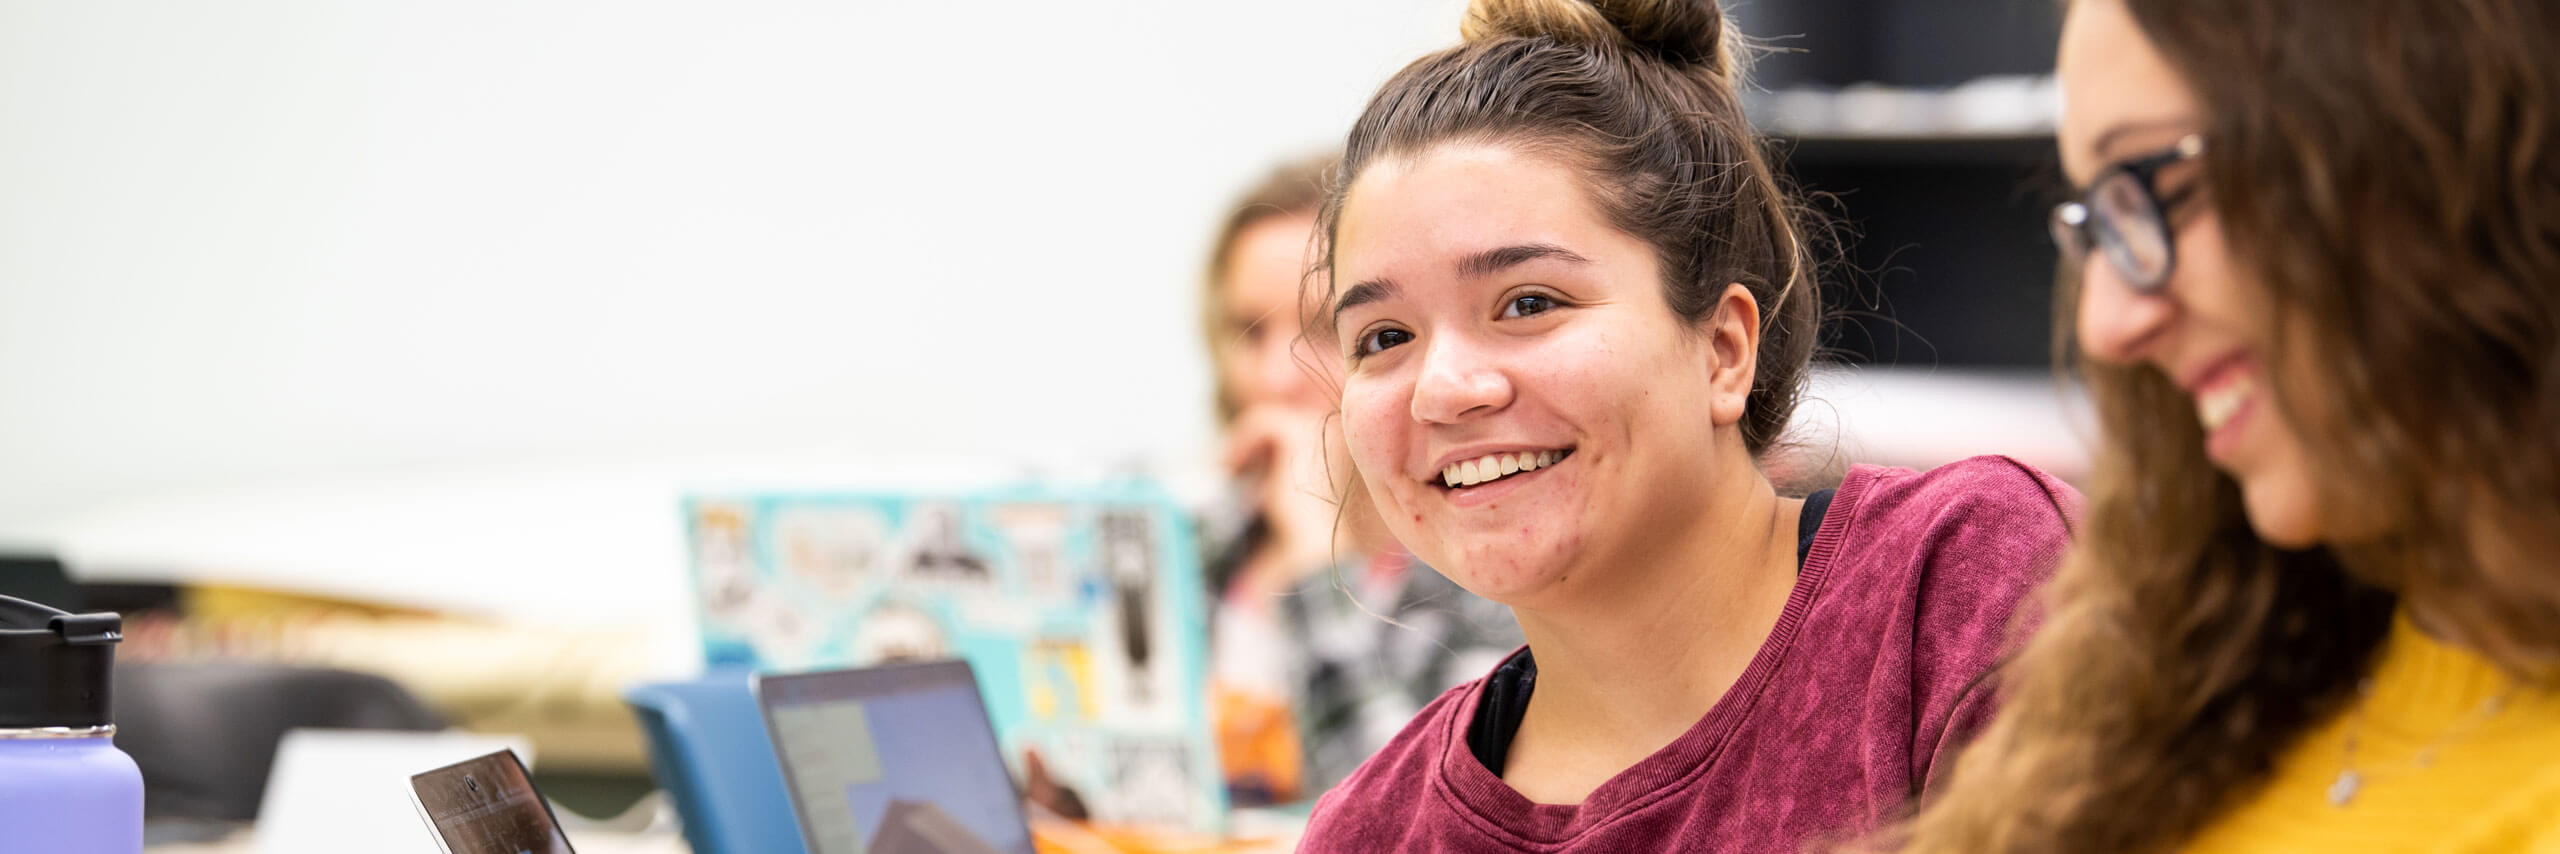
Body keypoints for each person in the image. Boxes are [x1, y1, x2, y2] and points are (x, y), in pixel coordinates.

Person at [1294, 0, 2080, 849]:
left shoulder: (1961, 583)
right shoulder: (1372, 829)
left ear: (1723, 348)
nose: (1443, 390)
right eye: (1385, 338)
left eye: (1528, 302)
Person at [1895, 1, 2560, 851]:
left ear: (2418, 134)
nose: (2106, 324)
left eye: (2156, 191)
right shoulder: (2221, 676)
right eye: (2099, 222)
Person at [1196, 158, 1522, 805]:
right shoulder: (1200, 545)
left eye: (1320, 330)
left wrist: (1319, 564)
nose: (1272, 378)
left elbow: (1411, 821)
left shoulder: (1482, 567)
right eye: (1247, 333)